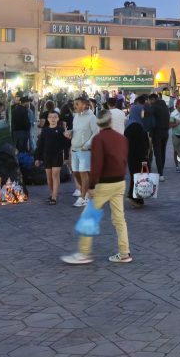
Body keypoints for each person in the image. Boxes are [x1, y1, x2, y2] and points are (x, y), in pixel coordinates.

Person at [61, 110, 133, 265]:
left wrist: (91, 186)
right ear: (110, 121)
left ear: (98, 123)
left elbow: (97, 164)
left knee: (89, 216)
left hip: (105, 184)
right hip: (120, 182)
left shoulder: (99, 139)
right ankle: (124, 252)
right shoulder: (121, 138)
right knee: (119, 219)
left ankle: (84, 253)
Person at [67, 97, 100, 208]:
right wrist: (70, 133)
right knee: (76, 173)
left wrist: (86, 145)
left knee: (83, 173)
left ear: (85, 105)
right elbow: (76, 130)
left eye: (77, 104)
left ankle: (82, 197)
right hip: (75, 149)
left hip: (85, 150)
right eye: (74, 104)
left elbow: (96, 133)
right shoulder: (76, 117)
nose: (75, 106)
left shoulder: (92, 118)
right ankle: (87, 192)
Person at [37, 110, 68, 204]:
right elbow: (40, 145)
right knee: (49, 177)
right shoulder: (45, 130)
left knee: (55, 175)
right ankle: (52, 194)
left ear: (58, 119)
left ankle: (54, 197)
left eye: (55, 117)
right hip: (47, 155)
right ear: (48, 119)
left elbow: (65, 144)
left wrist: (66, 157)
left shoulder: (61, 130)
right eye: (51, 117)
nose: (53, 119)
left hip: (57, 155)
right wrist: (37, 158)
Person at [124, 121, 151, 208]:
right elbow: (145, 148)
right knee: (140, 178)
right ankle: (134, 198)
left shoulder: (128, 135)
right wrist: (145, 160)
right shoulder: (141, 135)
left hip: (131, 158)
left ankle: (137, 199)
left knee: (134, 177)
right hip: (140, 159)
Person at [149, 92, 171, 180]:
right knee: (163, 152)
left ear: (153, 99)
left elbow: (147, 116)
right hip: (166, 132)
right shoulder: (165, 106)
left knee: (157, 153)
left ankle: (160, 174)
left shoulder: (154, 107)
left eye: (150, 100)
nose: (149, 102)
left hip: (157, 132)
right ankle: (161, 171)